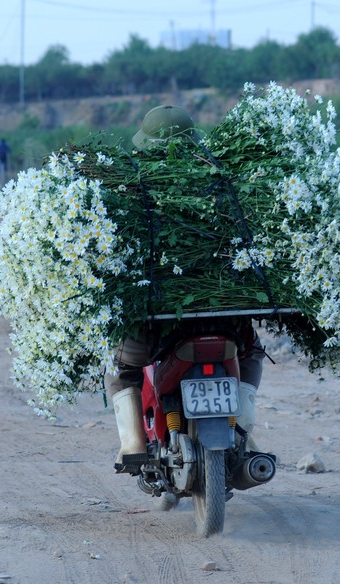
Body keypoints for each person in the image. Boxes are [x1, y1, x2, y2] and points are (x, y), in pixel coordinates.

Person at [104, 105, 268, 473]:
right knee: (252, 352)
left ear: (147, 145)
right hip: (225, 318)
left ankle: (132, 442)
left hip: (156, 326)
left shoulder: (129, 187)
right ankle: (242, 431)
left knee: (122, 370)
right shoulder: (225, 180)